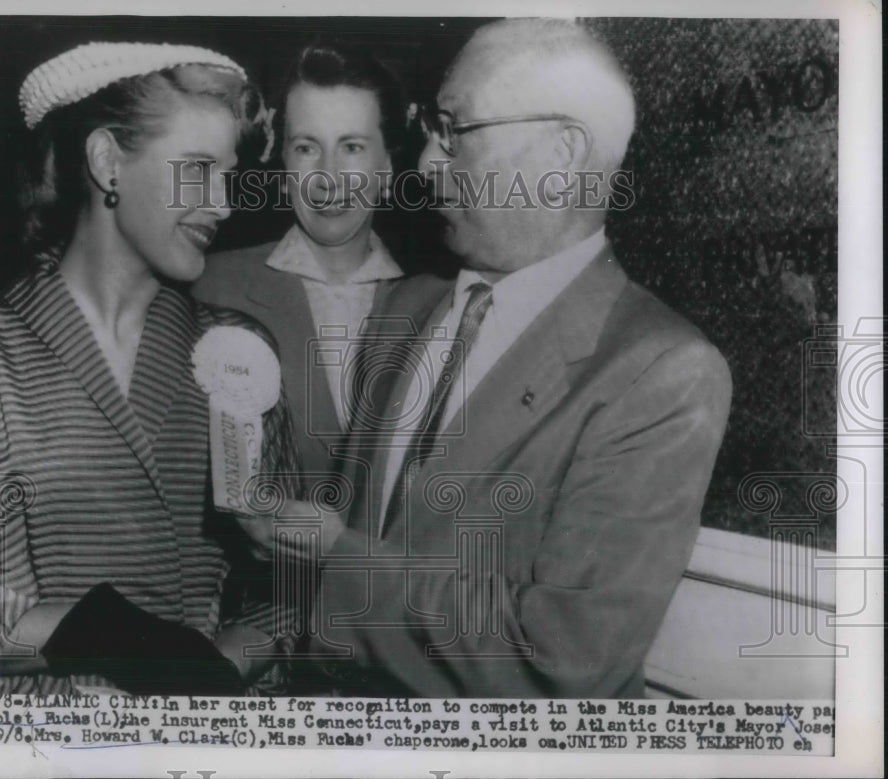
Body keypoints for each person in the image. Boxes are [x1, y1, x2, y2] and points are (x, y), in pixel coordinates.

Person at [236, 19, 733, 698]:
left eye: (454, 130)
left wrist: (333, 557)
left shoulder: (664, 373)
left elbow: (564, 658)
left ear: (561, 154)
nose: (424, 165)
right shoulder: (408, 307)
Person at [0, 41, 300, 695]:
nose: (222, 203)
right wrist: (103, 633)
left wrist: (215, 670)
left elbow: (291, 588)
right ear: (107, 163)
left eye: (227, 175)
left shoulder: (236, 356)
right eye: (196, 170)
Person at [192, 40, 407, 492]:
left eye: (352, 147)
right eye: (307, 148)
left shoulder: (442, 303)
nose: (328, 178)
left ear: (386, 166)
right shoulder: (207, 288)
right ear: (284, 161)